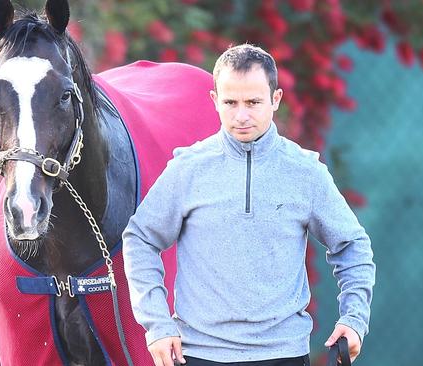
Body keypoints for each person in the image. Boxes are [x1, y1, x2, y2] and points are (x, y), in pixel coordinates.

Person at [122, 44, 375, 366]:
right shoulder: (188, 168)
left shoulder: (306, 172)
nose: (241, 116)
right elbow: (140, 238)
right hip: (199, 355)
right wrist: (157, 324)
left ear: (276, 100)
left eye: (254, 102)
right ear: (215, 101)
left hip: (284, 354)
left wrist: (354, 319)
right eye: (230, 102)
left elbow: (353, 245)